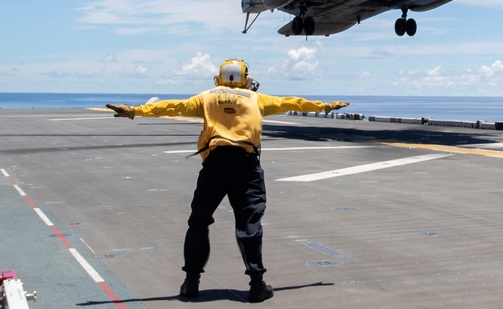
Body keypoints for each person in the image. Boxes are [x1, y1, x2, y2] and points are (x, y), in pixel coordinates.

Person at [106, 58, 349, 303]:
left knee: (199, 222)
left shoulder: (207, 97)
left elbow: (172, 107)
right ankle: (256, 285)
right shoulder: (256, 99)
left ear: (218, 78)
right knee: (249, 224)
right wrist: (324, 106)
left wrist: (135, 111)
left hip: (215, 164)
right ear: (246, 79)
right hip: (246, 165)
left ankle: (191, 283)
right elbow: (290, 103)